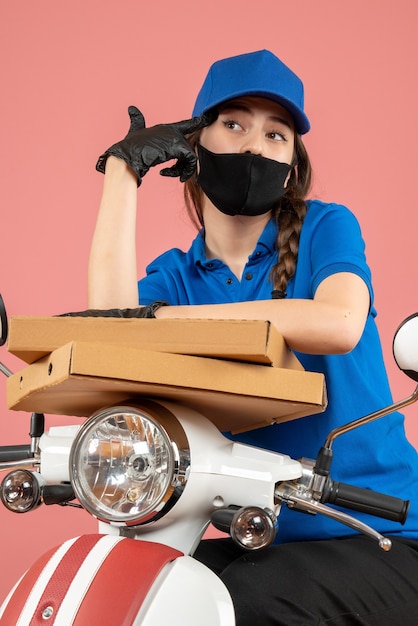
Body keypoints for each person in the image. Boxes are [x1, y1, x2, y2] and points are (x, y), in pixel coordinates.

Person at [89, 50, 418, 624]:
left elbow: (338, 323)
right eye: (234, 124)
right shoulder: (177, 275)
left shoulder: (325, 227)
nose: (253, 146)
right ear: (194, 146)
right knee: (125, 590)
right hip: (259, 534)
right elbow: (109, 339)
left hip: (377, 529)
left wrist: (162, 323)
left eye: (276, 134)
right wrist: (123, 172)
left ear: (291, 163)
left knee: (236, 608)